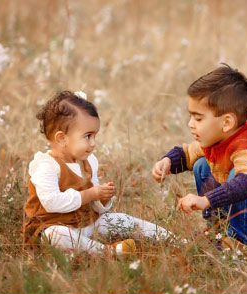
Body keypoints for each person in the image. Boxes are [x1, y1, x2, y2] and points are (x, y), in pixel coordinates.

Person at [151, 64, 247, 248]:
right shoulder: (217, 140)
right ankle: (218, 229)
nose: (190, 124)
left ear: (227, 122)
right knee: (201, 165)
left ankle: (241, 242)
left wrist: (206, 200)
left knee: (238, 178)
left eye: (198, 118)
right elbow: (186, 154)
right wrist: (166, 161)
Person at [24, 90, 171, 254]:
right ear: (62, 138)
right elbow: (51, 202)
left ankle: (169, 238)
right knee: (56, 236)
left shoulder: (88, 162)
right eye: (87, 136)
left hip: (87, 223)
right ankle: (108, 251)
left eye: (95, 136)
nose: (93, 143)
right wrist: (90, 194)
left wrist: (102, 199)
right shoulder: (46, 166)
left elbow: (95, 204)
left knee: (121, 220)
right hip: (54, 226)